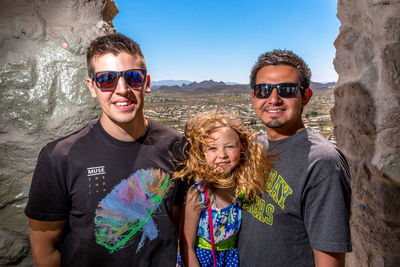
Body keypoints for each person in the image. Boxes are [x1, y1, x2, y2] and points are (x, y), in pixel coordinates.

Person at [25, 33, 187, 266]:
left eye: (133, 77)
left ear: (147, 83)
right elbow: (45, 249)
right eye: (107, 79)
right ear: (92, 87)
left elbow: (178, 226)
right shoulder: (59, 157)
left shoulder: (178, 147)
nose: (122, 89)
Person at [238, 50, 352, 267]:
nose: (273, 99)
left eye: (287, 90)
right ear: (254, 97)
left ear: (306, 96)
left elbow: (329, 261)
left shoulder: (322, 164)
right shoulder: (256, 147)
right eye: (263, 90)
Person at [174, 111, 271, 267]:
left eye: (230, 147)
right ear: (202, 153)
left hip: (231, 260)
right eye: (212, 148)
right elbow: (187, 246)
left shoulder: (243, 188)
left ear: (242, 147)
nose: (222, 155)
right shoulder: (198, 194)